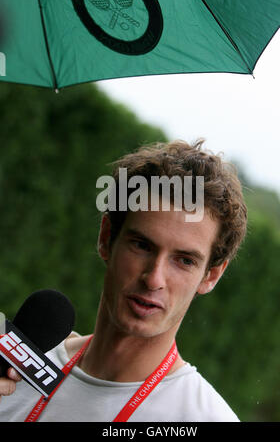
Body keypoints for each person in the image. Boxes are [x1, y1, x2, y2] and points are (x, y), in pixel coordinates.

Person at [0, 139, 247, 422]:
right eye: (142, 245)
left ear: (211, 275)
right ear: (106, 238)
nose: (154, 279)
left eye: (184, 261)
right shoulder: (15, 368)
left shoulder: (203, 417)